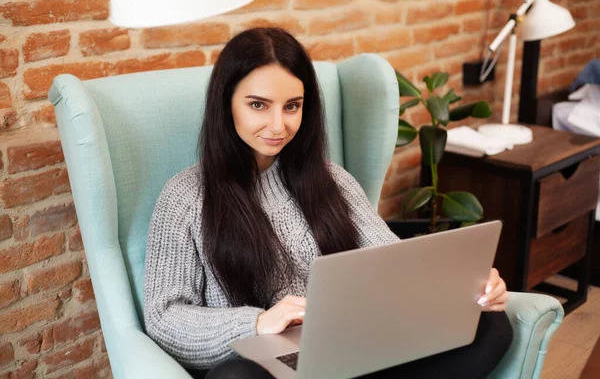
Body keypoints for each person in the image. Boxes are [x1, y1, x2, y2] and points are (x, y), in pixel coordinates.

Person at [143, 27, 513, 379]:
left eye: (292, 106)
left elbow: (392, 263)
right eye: (258, 105)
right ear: (226, 104)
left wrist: (467, 287)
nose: (277, 125)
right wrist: (255, 322)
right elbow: (163, 318)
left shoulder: (331, 178)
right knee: (234, 376)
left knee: (491, 324)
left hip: (356, 348)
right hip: (271, 364)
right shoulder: (185, 197)